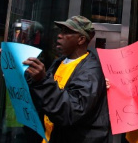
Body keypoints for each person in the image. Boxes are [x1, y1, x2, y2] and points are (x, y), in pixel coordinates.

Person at [23, 15, 111, 143]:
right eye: (61, 31)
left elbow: (70, 111)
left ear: (81, 39)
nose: (60, 35)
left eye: (67, 32)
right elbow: (43, 94)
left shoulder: (90, 72)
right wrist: (16, 66)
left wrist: (42, 80)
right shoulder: (60, 62)